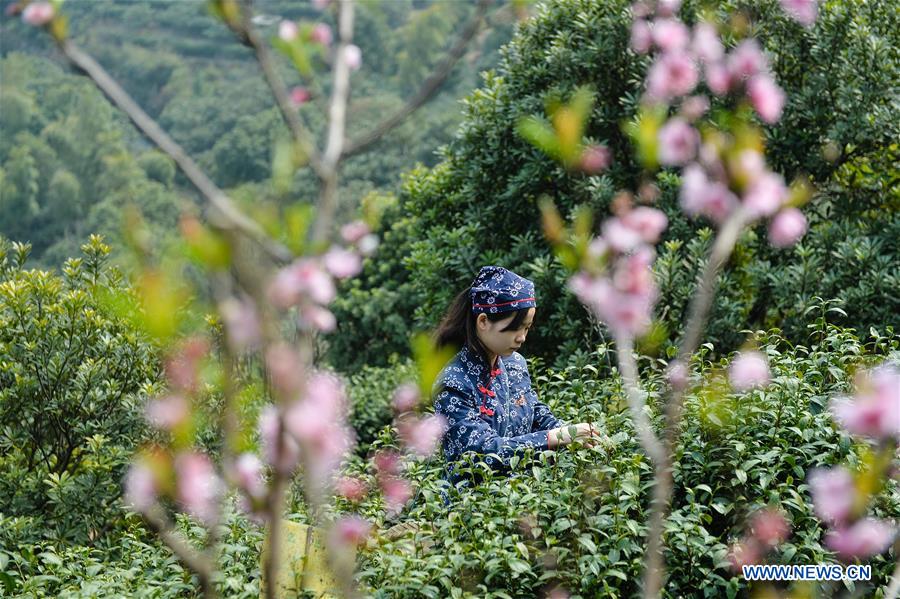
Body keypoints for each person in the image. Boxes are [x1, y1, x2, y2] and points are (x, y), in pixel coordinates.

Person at [432, 265, 602, 489]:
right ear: (483, 321)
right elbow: (482, 452)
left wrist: (577, 434)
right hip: (469, 509)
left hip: (521, 495)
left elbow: (534, 413)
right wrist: (553, 438)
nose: (522, 338)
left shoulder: (515, 364)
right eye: (515, 328)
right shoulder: (452, 382)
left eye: (527, 327)